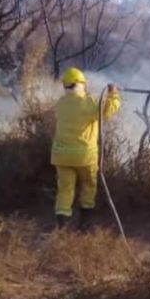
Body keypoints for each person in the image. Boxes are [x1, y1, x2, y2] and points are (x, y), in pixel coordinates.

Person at [51, 67, 120, 230]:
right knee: (89, 187)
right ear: (80, 84)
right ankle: (85, 224)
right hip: (84, 157)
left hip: (61, 156)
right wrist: (114, 94)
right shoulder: (88, 103)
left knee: (65, 190)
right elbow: (107, 111)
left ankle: (62, 227)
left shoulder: (60, 104)